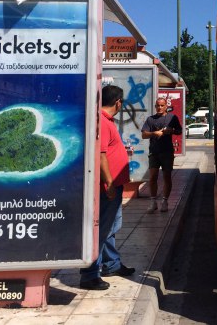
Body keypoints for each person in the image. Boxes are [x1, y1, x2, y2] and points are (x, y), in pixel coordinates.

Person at [80, 85, 135, 290]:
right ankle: (89, 275)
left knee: (111, 227)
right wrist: (110, 183)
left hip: (115, 185)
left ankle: (111, 264)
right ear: (118, 102)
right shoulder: (102, 122)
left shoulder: (106, 121)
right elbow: (101, 155)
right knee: (101, 230)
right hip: (108, 186)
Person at [141, 97, 182, 213]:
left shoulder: (172, 117)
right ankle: (153, 202)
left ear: (166, 107)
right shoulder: (150, 119)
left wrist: (171, 130)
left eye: (162, 105)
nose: (159, 107)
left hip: (167, 152)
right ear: (155, 106)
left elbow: (179, 130)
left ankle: (165, 201)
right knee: (153, 177)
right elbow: (144, 135)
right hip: (154, 152)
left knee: (166, 177)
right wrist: (154, 133)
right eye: (157, 105)